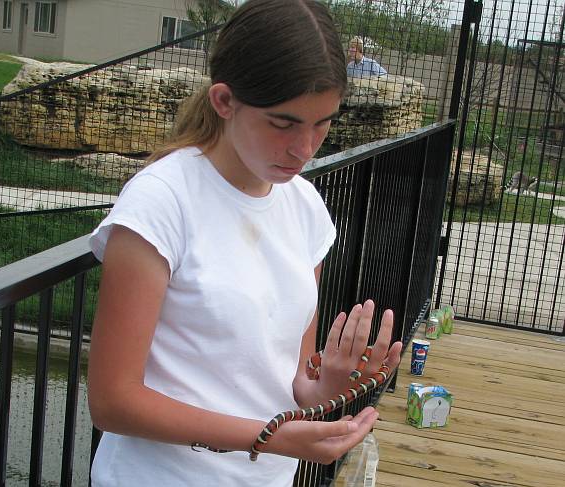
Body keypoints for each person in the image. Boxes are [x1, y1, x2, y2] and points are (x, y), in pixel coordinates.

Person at [87, 1, 402, 485]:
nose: (305, 148)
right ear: (224, 101)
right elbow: (112, 402)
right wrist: (269, 437)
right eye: (284, 123)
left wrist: (331, 389)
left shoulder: (305, 207)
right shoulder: (161, 201)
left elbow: (291, 378)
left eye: (323, 123)